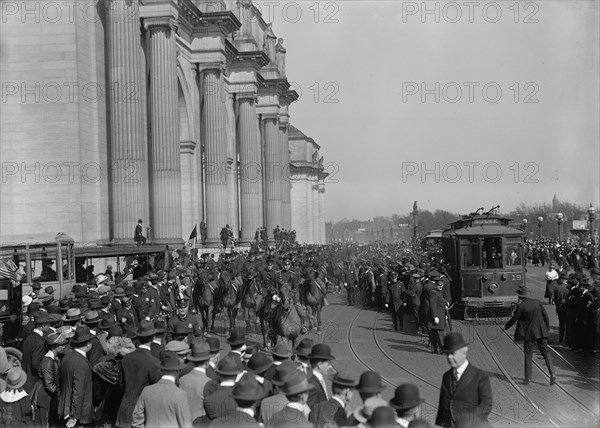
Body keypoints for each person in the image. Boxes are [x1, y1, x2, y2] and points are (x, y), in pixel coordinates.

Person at [435, 333, 492, 427]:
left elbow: (486, 405)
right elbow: (442, 406)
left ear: (464, 351)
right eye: (447, 353)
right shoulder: (446, 376)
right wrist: (439, 424)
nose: (449, 357)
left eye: (452, 353)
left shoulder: (480, 376)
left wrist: (469, 422)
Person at [504, 286, 556, 385]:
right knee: (546, 352)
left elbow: (514, 319)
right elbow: (546, 316)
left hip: (529, 334)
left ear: (519, 296)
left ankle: (528, 378)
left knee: (528, 354)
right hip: (541, 331)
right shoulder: (537, 302)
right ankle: (552, 373)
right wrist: (546, 329)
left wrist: (506, 327)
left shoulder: (521, 306)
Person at [132, 351, 192, 427]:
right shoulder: (180, 394)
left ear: (161, 370)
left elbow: (136, 420)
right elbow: (186, 424)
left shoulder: (146, 391)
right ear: (178, 371)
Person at [58, 326, 95, 427]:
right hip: (79, 414)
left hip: (65, 408)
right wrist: (74, 415)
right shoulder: (81, 363)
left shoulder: (66, 358)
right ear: (88, 344)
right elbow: (78, 391)